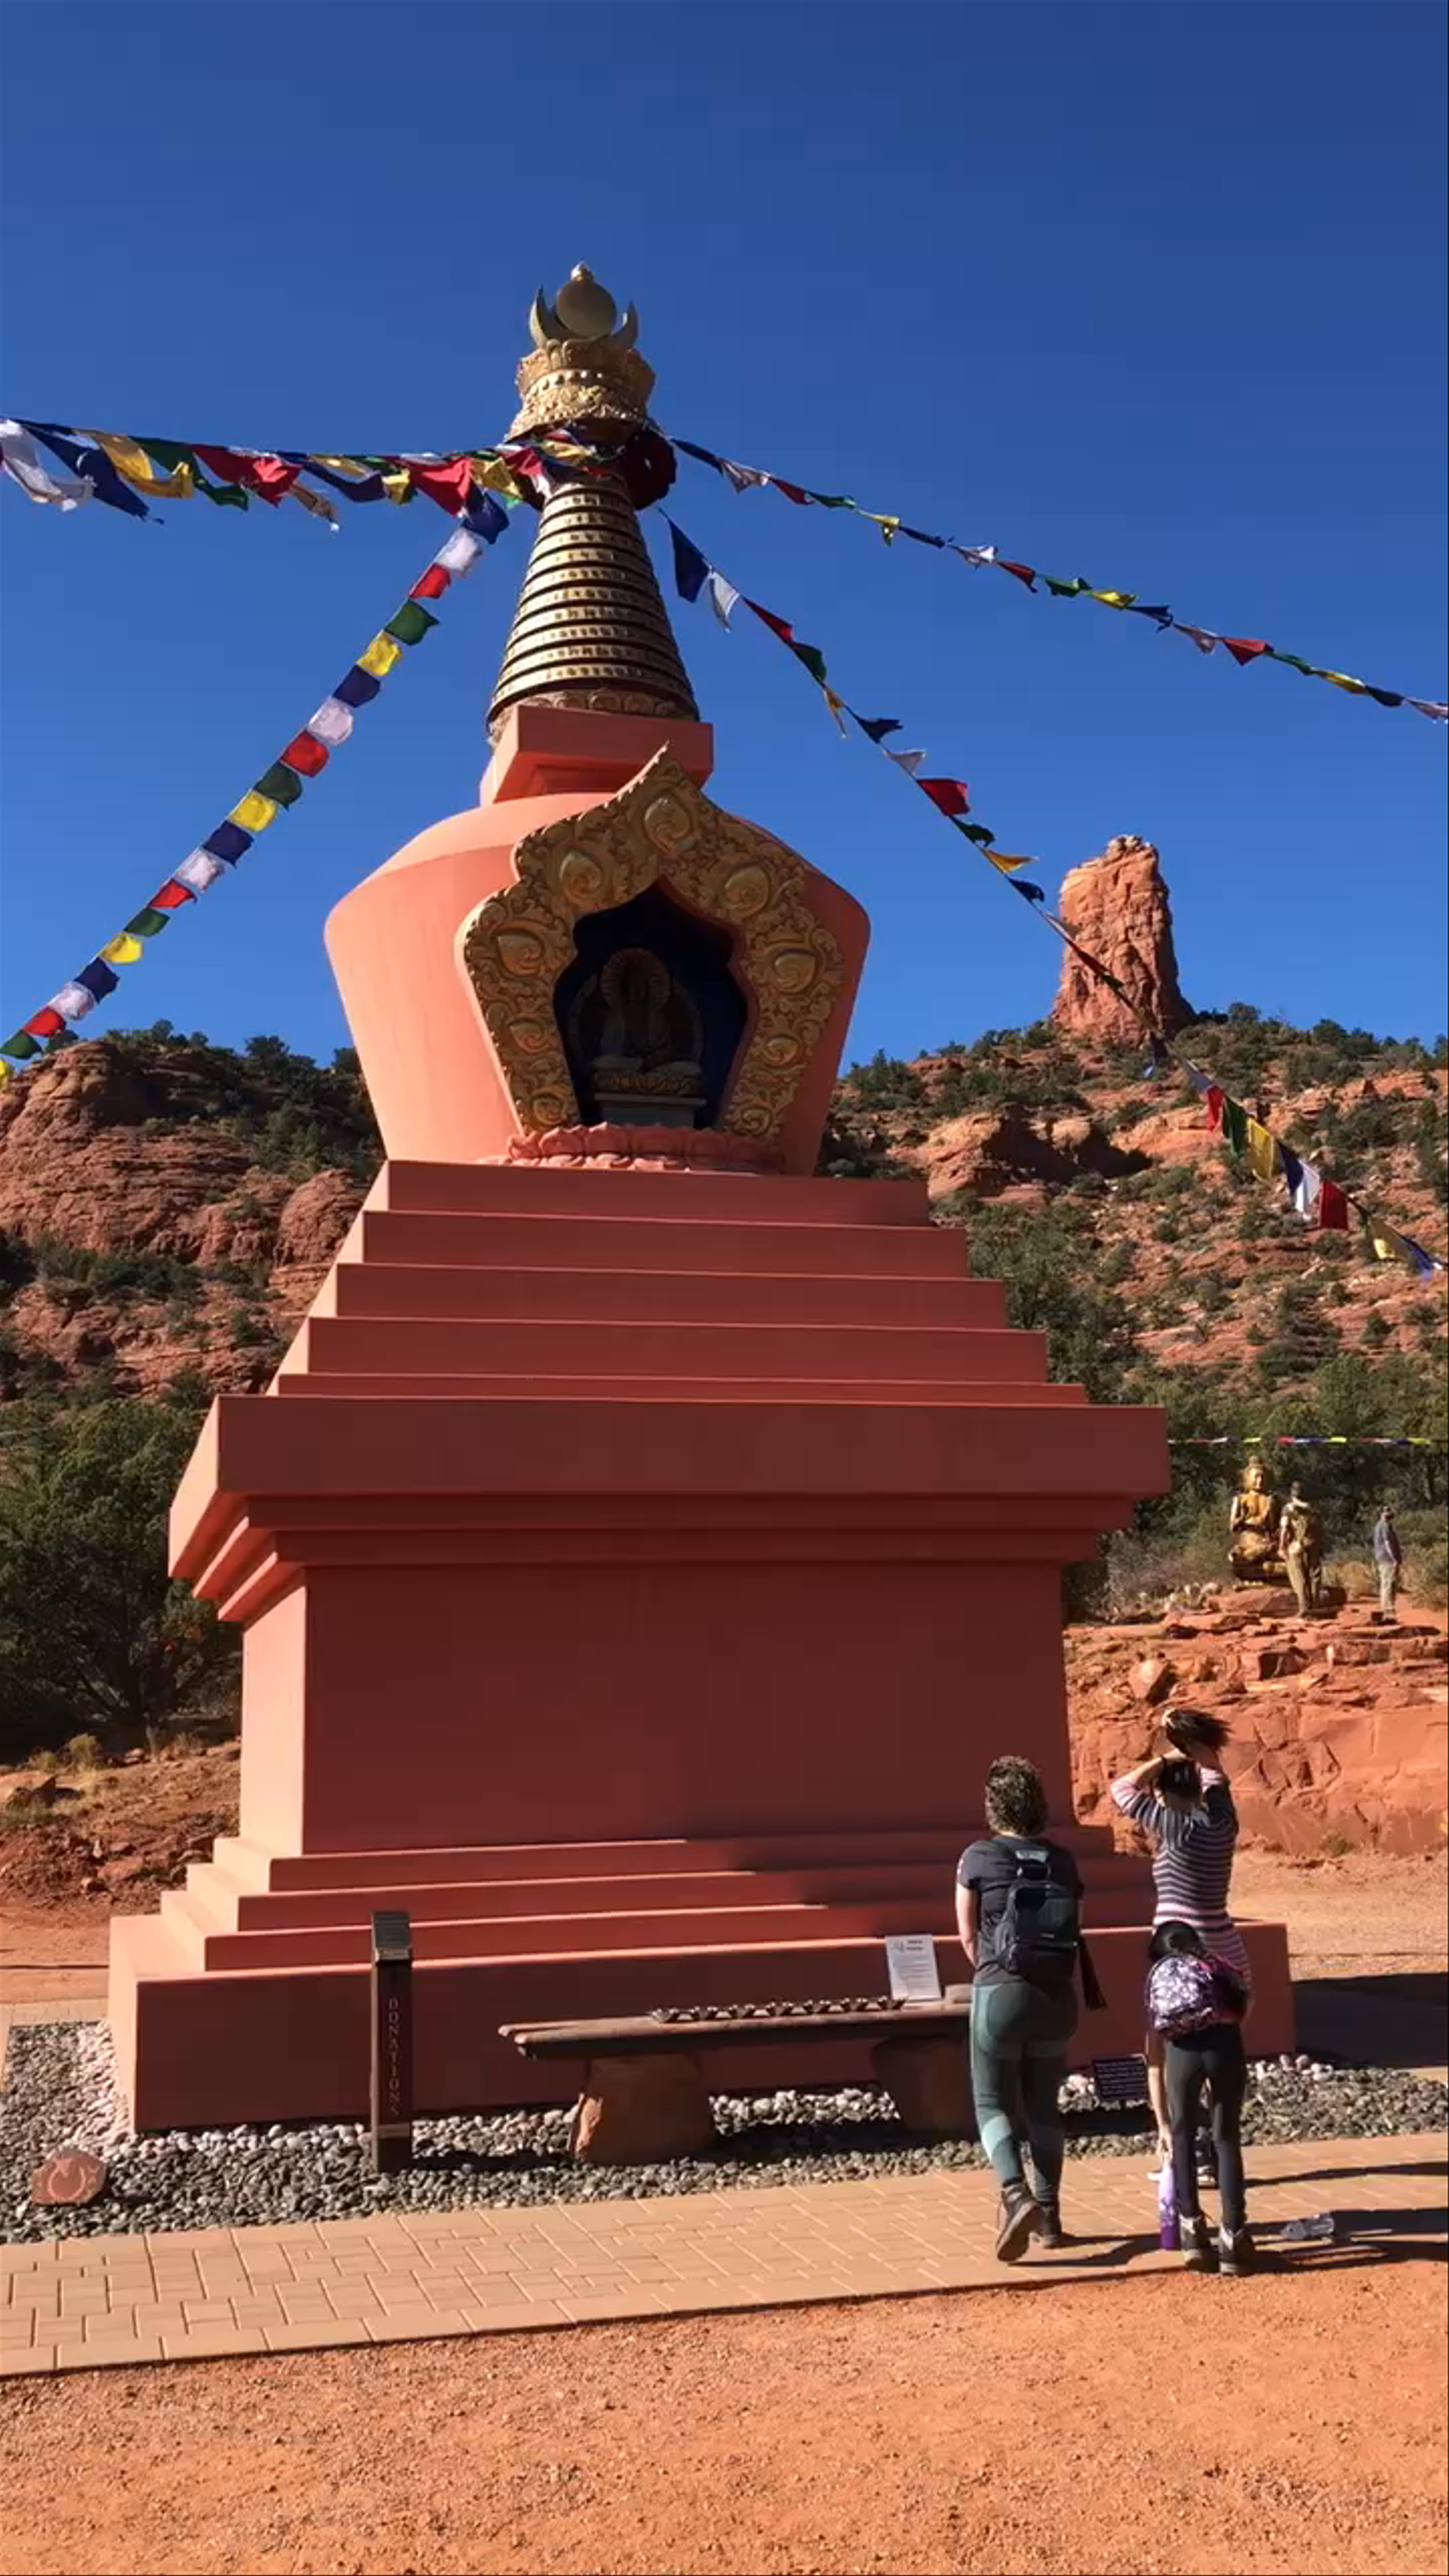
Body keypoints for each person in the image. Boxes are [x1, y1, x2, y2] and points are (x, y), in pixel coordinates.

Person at [956, 1755, 1104, 2263]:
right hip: (1057, 1995)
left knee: (991, 2101)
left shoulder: (978, 1856)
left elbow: (968, 1935)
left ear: (993, 1804)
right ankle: (1050, 2214)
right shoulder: (1064, 1860)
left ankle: (1015, 2193)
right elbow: (1076, 1926)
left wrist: (994, 1971)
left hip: (1001, 1992)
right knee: (1044, 2104)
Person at [1111, 1711, 1248, 2169]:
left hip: (1176, 1953)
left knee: (1161, 2053)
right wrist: (1196, 1753)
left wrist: (1164, 1756)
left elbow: (1122, 1790)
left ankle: (1172, 2144)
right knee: (1217, 2048)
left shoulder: (1174, 1826)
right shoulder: (1222, 1825)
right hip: (1226, 1950)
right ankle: (1212, 2146)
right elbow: (1217, 1776)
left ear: (1167, 1794)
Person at [1147, 1921, 1254, 2273]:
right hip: (1225, 2047)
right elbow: (1243, 2010)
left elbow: (1155, 2032)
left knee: (1182, 2137)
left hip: (1182, 2053)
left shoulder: (1160, 1973)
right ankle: (1234, 2234)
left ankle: (1192, 2230)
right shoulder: (1217, 1966)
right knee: (1226, 2137)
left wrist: (1160, 2117)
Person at [1278, 1483, 1324, 1618]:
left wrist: (1282, 1547)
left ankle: (1304, 1608)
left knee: (1299, 1577)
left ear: (1293, 1493)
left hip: (1296, 1546)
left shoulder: (1288, 1509)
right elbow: (1320, 1529)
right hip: (1313, 1545)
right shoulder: (1313, 1508)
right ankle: (1314, 1607)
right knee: (1314, 1577)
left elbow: (1285, 1529)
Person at [1373, 1504, 1404, 1622]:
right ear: (1382, 1513)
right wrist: (1394, 1558)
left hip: (1383, 1558)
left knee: (1386, 1584)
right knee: (1390, 1584)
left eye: (1390, 1510)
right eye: (1386, 1511)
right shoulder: (1385, 1526)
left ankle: (1385, 1608)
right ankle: (1389, 1609)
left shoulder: (1380, 1526)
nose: (1389, 1513)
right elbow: (1387, 1543)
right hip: (1388, 1559)